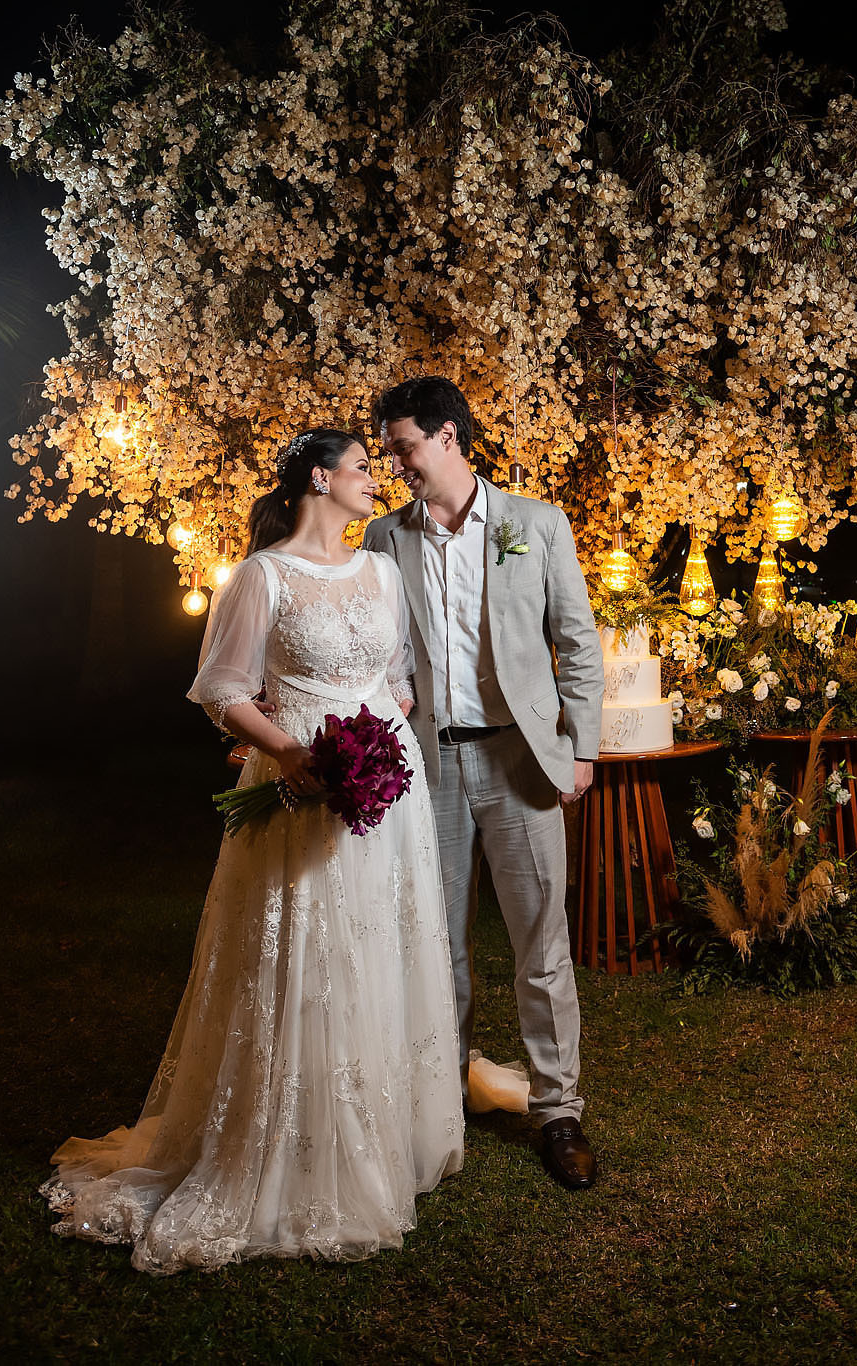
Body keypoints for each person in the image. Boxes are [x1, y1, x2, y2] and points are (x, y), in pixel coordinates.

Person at [40, 430, 463, 1274]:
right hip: (301, 787)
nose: (375, 482)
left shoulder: (380, 571)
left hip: (386, 789)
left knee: (384, 947)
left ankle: (379, 1132)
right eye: (362, 469)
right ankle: (285, 1141)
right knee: (305, 952)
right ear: (320, 478)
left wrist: (380, 738)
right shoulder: (262, 577)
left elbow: (400, 674)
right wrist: (292, 753)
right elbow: (221, 689)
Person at [365, 377, 604, 1190]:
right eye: (390, 449)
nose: (395, 463)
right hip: (426, 765)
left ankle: (557, 1110)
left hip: (520, 761)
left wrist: (582, 750)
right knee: (436, 944)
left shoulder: (533, 524)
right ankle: (440, 1099)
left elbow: (576, 643)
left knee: (541, 942)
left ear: (448, 437)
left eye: (403, 446)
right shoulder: (382, 541)